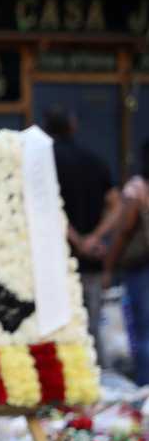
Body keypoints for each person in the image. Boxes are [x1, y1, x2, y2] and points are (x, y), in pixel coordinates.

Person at [45, 105, 121, 359]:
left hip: (55, 263)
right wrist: (95, 238)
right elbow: (115, 204)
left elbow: (47, 207)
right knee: (92, 328)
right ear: (73, 125)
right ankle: (96, 383)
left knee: (57, 330)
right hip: (91, 261)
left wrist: (76, 240)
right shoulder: (94, 160)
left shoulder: (44, 163)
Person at [105, 140, 149, 383]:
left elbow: (123, 230)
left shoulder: (137, 190)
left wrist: (108, 266)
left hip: (142, 266)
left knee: (143, 331)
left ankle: (145, 390)